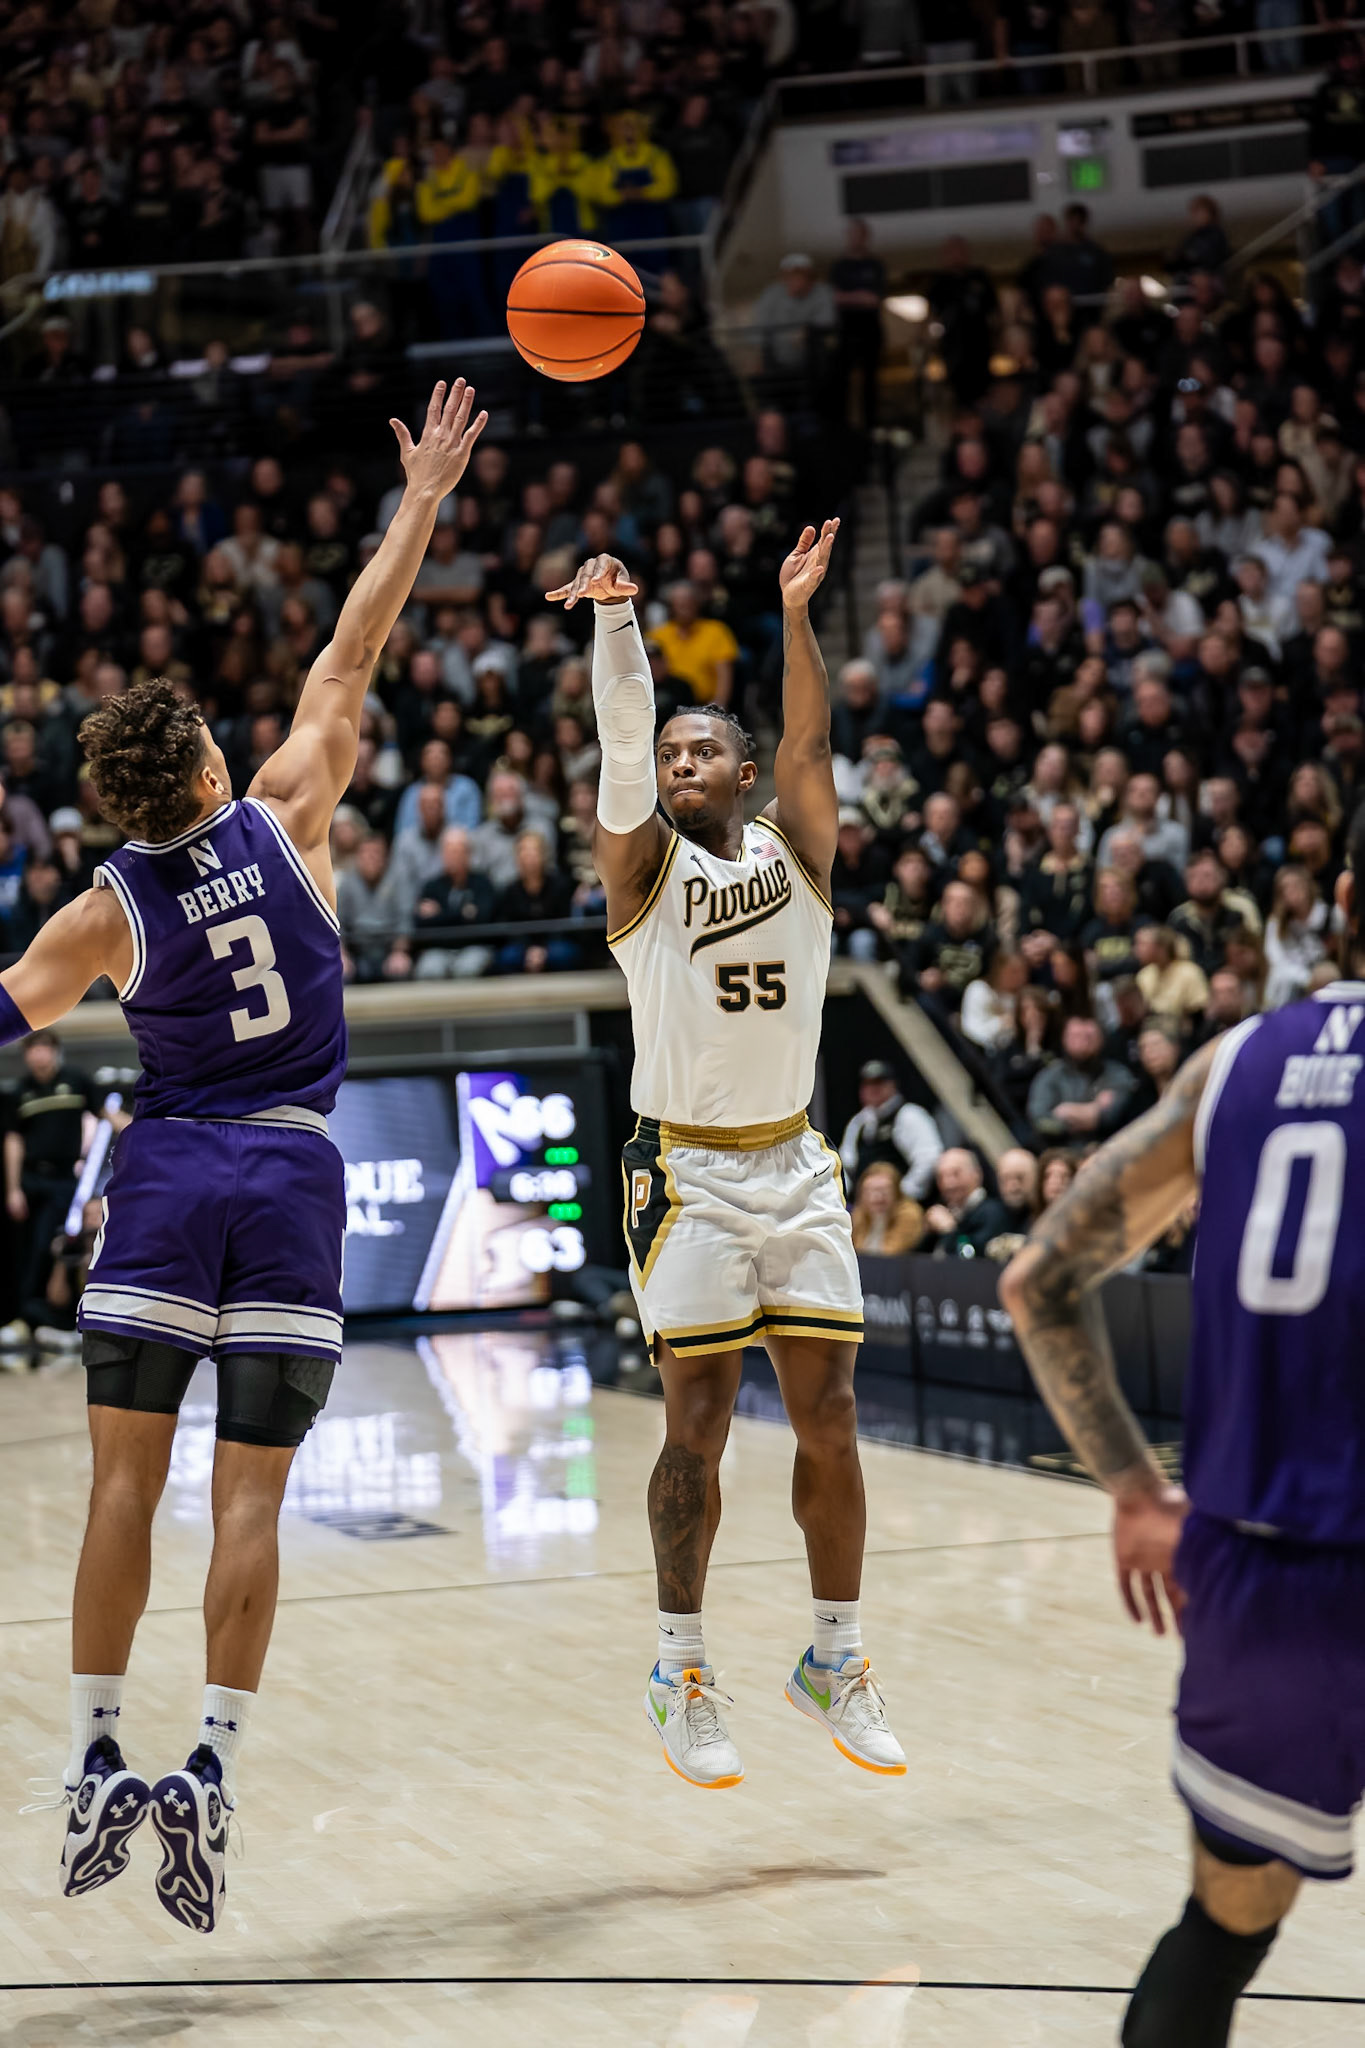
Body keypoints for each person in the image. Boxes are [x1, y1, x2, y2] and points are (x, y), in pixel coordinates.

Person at [8, 379, 485, 1928]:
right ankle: (209, 1768)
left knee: (120, 1487)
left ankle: (94, 1757)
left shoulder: (102, 913)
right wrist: (421, 499)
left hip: (164, 1176)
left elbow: (4, 1012)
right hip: (288, 1176)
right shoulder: (288, 811)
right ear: (212, 775)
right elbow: (354, 646)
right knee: (250, 1503)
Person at [1001, 799, 1365, 2048]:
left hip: (1262, 1577)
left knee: (1222, 1929)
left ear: (1341, 901)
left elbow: (1037, 1279)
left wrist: (1133, 1488)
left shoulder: (1237, 1064)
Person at [548, 528, 905, 1791]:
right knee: (696, 1422)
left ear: (744, 775)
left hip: (794, 1163)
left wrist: (796, 612)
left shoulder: (798, 854)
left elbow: (812, 740)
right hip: (687, 1170)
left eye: (703, 751)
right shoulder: (641, 870)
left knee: (832, 1416)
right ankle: (680, 1667)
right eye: (672, 755)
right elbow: (620, 743)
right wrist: (617, 622)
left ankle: (836, 1657)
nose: (680, 764)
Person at [0, 1030, 108, 1349]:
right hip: (31, 1179)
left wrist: (139, 1129)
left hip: (65, 1180)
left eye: (44, 1048)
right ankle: (25, 1318)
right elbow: (13, 1141)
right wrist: (13, 1189)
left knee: (56, 1246)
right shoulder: (20, 1092)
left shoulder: (76, 1080)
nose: (39, 1055)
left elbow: (106, 1114)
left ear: (55, 1051)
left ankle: (54, 1318)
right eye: (32, 1049)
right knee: (26, 1249)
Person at [837, 1057, 943, 1202]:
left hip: (904, 1204)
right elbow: (846, 1165)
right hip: (866, 1206)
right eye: (867, 1084)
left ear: (892, 1084)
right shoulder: (858, 1122)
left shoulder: (909, 1115)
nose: (873, 1089)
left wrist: (901, 1196)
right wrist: (843, 1197)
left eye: (879, 1083)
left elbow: (928, 1159)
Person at [921, 1146, 1011, 1256]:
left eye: (956, 1174)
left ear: (977, 1174)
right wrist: (928, 1232)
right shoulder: (946, 1213)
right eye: (941, 1177)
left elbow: (971, 1257)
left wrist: (948, 1230)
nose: (948, 1183)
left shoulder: (992, 1213)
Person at [849, 1160, 924, 1256]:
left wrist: (882, 1217)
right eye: (870, 1191)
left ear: (896, 1192)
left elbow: (889, 1255)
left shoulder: (909, 1215)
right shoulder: (859, 1215)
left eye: (884, 1191)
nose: (877, 1197)